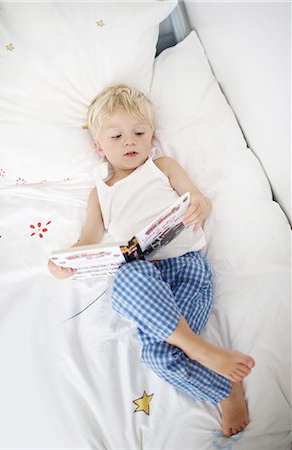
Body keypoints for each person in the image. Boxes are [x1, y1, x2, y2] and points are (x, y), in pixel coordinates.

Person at [48, 84, 255, 437]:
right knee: (128, 281)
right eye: (116, 136)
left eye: (139, 133)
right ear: (99, 147)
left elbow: (199, 199)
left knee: (159, 353)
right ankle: (212, 366)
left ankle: (204, 359)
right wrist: (64, 264)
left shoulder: (162, 166)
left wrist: (199, 207)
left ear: (152, 137)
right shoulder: (99, 194)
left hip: (184, 270)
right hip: (143, 283)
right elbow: (85, 242)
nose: (129, 141)